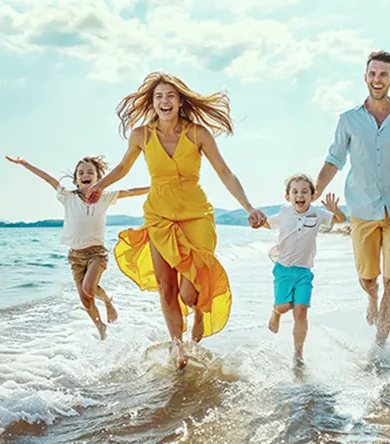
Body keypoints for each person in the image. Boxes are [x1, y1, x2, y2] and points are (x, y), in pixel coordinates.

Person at [85, 72, 266, 369]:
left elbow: (224, 172)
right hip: (159, 216)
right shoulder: (141, 135)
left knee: (189, 292)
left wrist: (248, 206)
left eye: (170, 95)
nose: (164, 101)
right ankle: (177, 346)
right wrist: (99, 185)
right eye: (158, 97)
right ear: (152, 103)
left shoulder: (198, 133)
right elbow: (122, 167)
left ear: (181, 100)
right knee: (166, 286)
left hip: (196, 216)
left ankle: (197, 313)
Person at [313, 50, 390, 346]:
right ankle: (371, 298)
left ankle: (380, 344)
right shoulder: (348, 120)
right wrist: (312, 194)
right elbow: (334, 160)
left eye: (383, 74)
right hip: (362, 210)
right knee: (369, 279)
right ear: (365, 77)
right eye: (372, 73)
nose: (377, 79)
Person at [6, 155, 149, 339]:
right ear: (76, 180)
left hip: (96, 253)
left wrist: (157, 187)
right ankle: (101, 328)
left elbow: (130, 191)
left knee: (89, 289)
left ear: (99, 178)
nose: (85, 174)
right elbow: (48, 178)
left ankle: (107, 301)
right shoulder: (68, 197)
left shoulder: (104, 197)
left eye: (90, 172)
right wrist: (25, 164)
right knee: (85, 299)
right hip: (75, 256)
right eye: (81, 172)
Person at [264, 174, 346, 363]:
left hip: (304, 272)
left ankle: (298, 354)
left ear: (312, 195)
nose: (299, 195)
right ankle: (276, 312)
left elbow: (341, 220)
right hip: (283, 269)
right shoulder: (284, 213)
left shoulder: (318, 214)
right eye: (295, 192)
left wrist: (336, 210)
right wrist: (255, 220)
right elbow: (266, 223)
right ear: (288, 197)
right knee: (284, 307)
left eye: (304, 191)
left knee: (301, 311)